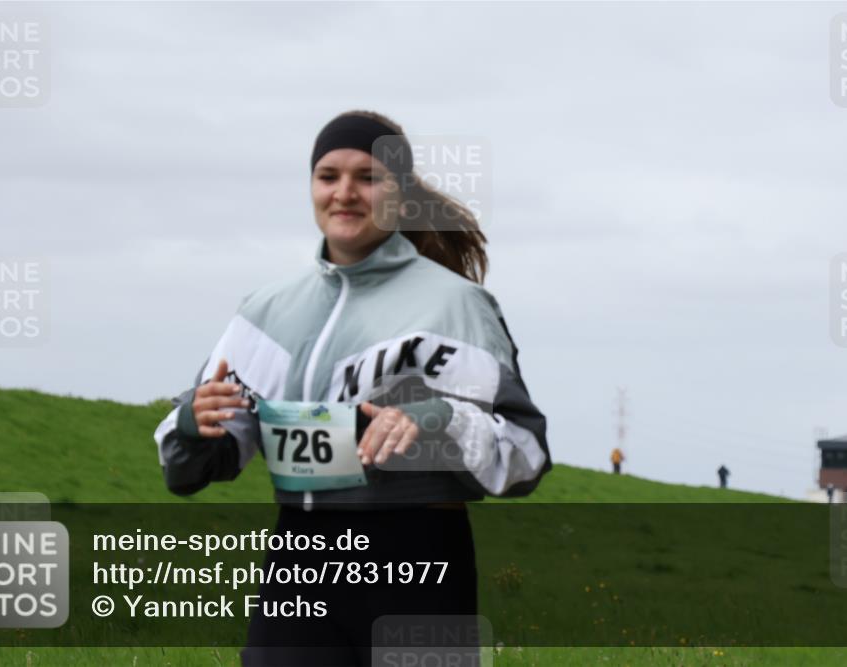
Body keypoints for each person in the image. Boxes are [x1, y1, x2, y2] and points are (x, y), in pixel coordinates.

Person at [152, 110, 551, 666]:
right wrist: (193, 424)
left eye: (369, 177)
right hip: (299, 564)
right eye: (328, 176)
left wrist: (438, 418)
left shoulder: (457, 306)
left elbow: (524, 455)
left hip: (418, 564)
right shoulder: (264, 311)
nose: (345, 192)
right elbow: (191, 465)